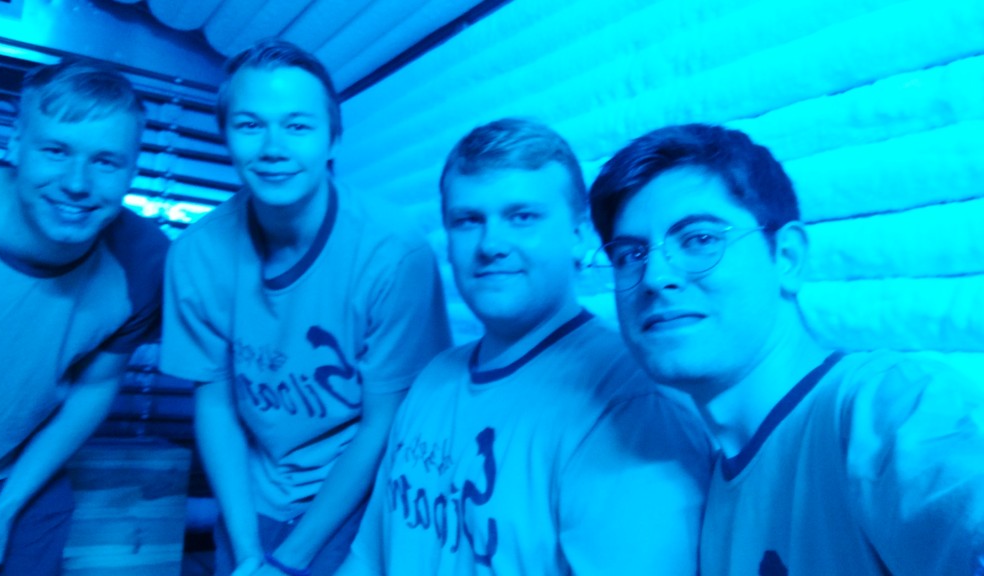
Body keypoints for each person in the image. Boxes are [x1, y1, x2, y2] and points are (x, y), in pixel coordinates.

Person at [588, 123, 984, 575]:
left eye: (700, 239)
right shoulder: (715, 495)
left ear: (787, 258)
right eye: (630, 255)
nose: (656, 276)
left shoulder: (884, 405)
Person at [338, 118, 712, 575]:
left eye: (522, 217)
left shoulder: (633, 408)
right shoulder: (433, 379)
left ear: (578, 235)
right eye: (468, 220)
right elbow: (368, 559)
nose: (491, 244)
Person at [160, 40, 452, 576]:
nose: (273, 147)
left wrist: (289, 562)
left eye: (297, 126)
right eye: (250, 125)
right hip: (252, 496)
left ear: (333, 138)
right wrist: (248, 551)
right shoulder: (196, 255)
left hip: (360, 497)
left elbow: (385, 421)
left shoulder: (393, 254)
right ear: (225, 136)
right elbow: (216, 406)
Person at [0, 58, 168, 575]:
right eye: (55, 150)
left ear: (132, 170)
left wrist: (7, 505)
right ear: (16, 144)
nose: (78, 183)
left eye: (106, 161)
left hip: (13, 476)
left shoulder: (143, 261)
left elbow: (95, 388)